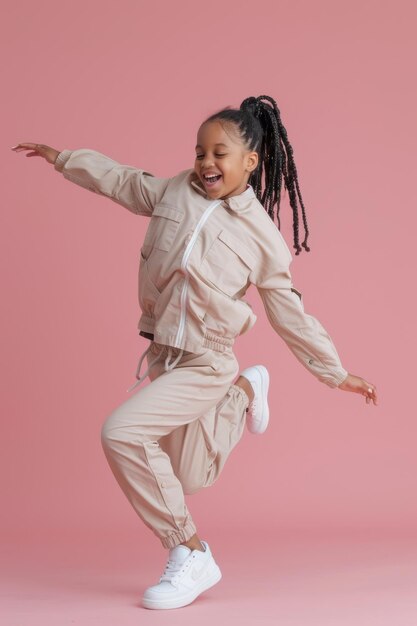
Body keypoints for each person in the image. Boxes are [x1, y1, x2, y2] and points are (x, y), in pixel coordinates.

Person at [11, 94, 378, 611]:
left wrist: (335, 374)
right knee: (187, 477)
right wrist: (65, 159)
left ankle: (191, 552)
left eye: (220, 153)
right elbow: (122, 180)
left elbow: (289, 313)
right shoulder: (173, 191)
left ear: (251, 161)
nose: (206, 162)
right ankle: (247, 390)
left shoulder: (263, 238)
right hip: (165, 354)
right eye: (200, 151)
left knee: (121, 433)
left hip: (208, 359)